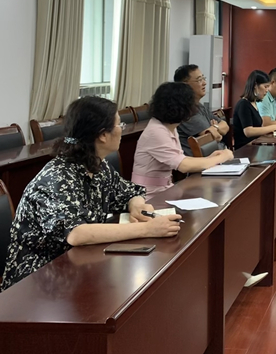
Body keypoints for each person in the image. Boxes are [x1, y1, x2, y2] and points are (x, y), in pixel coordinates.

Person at [1, 97, 182, 291]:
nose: (122, 129)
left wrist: (137, 206)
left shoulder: (97, 165)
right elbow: (76, 234)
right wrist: (147, 229)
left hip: (78, 263)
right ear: (103, 135)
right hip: (38, 280)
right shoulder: (57, 177)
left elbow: (129, 192)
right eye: (119, 124)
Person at [132, 83, 234, 197]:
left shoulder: (170, 127)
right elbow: (184, 165)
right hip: (147, 195)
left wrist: (210, 158)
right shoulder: (156, 131)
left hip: (165, 189)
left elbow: (182, 158)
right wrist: (222, 157)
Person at [174, 64, 230, 156]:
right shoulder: (184, 111)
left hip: (219, 155)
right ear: (185, 85)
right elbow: (213, 136)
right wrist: (215, 129)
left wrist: (215, 127)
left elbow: (225, 126)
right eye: (199, 80)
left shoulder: (198, 105)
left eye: (203, 78)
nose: (204, 83)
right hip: (205, 161)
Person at [233, 70, 276, 150]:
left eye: (268, 87)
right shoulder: (243, 104)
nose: (267, 90)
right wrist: (275, 127)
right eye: (265, 87)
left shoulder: (254, 103)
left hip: (256, 145)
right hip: (245, 149)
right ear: (255, 85)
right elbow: (248, 131)